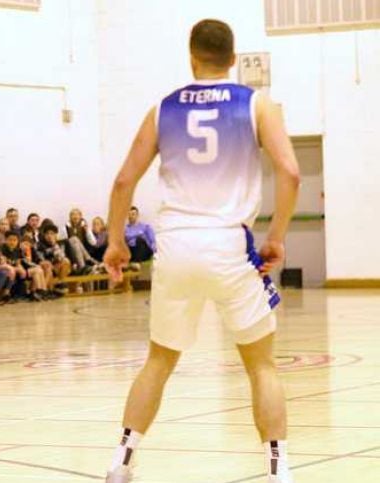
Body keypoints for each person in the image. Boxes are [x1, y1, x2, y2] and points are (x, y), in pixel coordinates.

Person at [101, 20, 301, 483]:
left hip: (175, 247)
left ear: (191, 58)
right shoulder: (257, 104)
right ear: (234, 61)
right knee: (261, 366)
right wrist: (276, 236)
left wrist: (115, 242)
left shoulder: (162, 109)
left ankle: (121, 464)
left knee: (159, 361)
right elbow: (290, 173)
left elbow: (122, 181)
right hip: (229, 245)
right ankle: (278, 473)